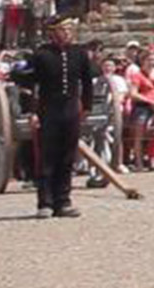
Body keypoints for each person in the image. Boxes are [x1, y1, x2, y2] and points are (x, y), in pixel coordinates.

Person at [10, 14, 96, 217]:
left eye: (68, 30)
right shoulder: (41, 55)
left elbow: (87, 81)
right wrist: (32, 111)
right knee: (47, 158)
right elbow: (30, 85)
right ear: (53, 33)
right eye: (62, 30)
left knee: (67, 157)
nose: (66, 33)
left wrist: (87, 107)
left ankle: (63, 201)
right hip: (48, 110)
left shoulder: (79, 53)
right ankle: (45, 202)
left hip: (70, 110)